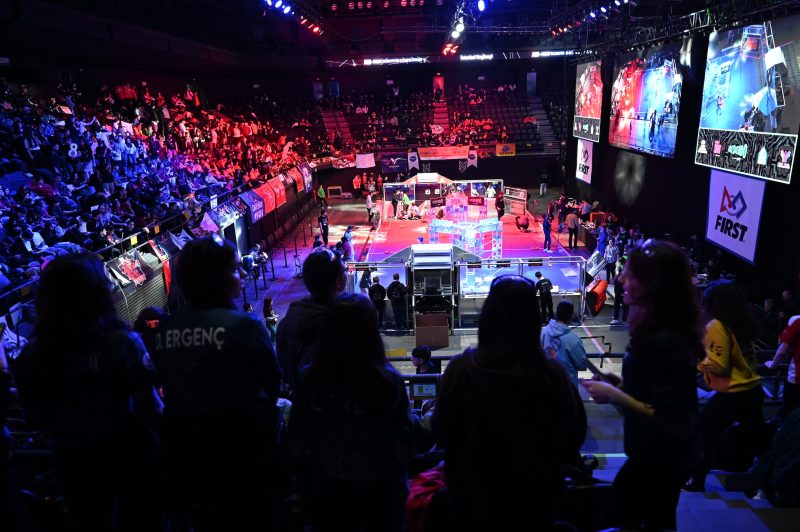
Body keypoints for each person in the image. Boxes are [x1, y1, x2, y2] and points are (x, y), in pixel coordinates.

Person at [14, 254, 165, 532]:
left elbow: (34, 419)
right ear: (97, 294)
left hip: (72, 465)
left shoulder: (31, 357)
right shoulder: (124, 344)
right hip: (131, 460)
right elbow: (152, 409)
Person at [433, 276, 586, 530]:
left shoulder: (460, 369)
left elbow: (441, 432)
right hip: (535, 502)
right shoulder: (551, 374)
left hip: (472, 499)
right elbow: (574, 435)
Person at [152, 235, 283, 530]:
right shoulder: (244, 326)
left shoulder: (166, 328)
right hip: (244, 455)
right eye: (235, 269)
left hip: (190, 459)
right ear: (216, 278)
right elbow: (272, 382)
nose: (242, 274)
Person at [582, 239, 703, 530]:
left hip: (660, 459)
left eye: (631, 274)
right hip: (653, 456)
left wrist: (615, 395)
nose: (621, 279)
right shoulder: (660, 331)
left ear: (653, 284)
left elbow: (676, 420)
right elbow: (655, 392)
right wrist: (622, 384)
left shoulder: (664, 340)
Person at [288, 293, 412, 532]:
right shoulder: (388, 382)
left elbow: (297, 445)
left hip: (327, 493)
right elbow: (403, 451)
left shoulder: (308, 378)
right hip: (380, 495)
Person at [688, 282, 764, 491]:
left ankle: (697, 481)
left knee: (704, 434)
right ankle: (769, 477)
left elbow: (719, 366)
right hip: (752, 389)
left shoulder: (717, 326)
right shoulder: (743, 324)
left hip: (732, 393)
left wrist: (697, 363)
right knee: (759, 440)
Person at [277, 248, 346, 393]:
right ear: (338, 282)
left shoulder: (286, 324)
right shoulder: (347, 325)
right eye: (344, 270)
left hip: (300, 401)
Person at [541, 301, 587, 387]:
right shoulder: (573, 339)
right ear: (571, 316)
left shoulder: (541, 332)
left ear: (556, 313)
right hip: (567, 388)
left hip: (545, 386)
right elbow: (582, 365)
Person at [765, 315, 800, 420]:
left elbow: (783, 350)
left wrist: (773, 364)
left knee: (789, 412)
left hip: (797, 379)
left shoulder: (797, 321)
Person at [610, 257, 629, 325]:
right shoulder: (627, 268)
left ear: (620, 262)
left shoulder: (619, 268)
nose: (616, 262)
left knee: (618, 304)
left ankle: (616, 319)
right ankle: (624, 320)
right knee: (625, 305)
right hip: (623, 289)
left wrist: (614, 280)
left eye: (617, 261)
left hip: (620, 289)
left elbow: (617, 275)